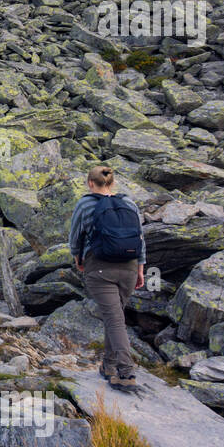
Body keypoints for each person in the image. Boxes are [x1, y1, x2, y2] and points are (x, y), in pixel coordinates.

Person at [69, 165, 147, 392]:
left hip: (100, 269)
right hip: (130, 269)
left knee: (114, 320)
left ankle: (126, 372)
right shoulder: (129, 203)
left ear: (90, 183)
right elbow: (141, 239)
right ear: (112, 184)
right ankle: (109, 365)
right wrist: (140, 269)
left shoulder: (85, 204)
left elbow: (75, 237)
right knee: (115, 317)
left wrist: (78, 259)